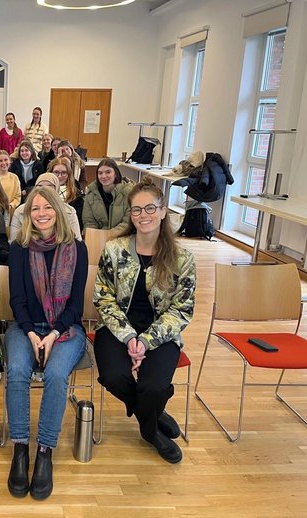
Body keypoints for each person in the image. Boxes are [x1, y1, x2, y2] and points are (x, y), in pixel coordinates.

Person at [93, 178, 196, 464]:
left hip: (161, 334)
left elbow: (182, 309)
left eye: (150, 208)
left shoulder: (182, 258)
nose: (143, 215)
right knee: (113, 376)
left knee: (153, 386)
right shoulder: (114, 250)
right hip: (117, 329)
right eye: (136, 210)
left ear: (164, 211)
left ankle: (149, 421)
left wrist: (146, 341)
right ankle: (150, 419)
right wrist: (129, 338)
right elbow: (103, 298)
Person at [6, 185, 88, 500]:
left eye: (47, 207)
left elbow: (76, 307)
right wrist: (31, 332)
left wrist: (53, 334)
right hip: (25, 327)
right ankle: (20, 449)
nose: (41, 213)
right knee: (16, 369)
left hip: (65, 329)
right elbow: (17, 299)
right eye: (35, 208)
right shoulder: (19, 247)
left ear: (58, 210)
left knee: (55, 374)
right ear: (28, 214)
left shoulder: (77, 249)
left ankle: (44, 451)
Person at [9, 173, 82, 242]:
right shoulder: (20, 211)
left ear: (57, 189)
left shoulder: (69, 211)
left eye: (49, 186)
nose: (44, 189)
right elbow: (14, 241)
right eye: (40, 186)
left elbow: (76, 239)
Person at [82, 157, 134, 237]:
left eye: (108, 172)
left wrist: (109, 235)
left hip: (122, 238)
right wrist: (96, 237)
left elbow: (128, 222)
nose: (103, 176)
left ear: (115, 173)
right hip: (98, 239)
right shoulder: (90, 195)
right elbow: (89, 222)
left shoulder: (128, 193)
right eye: (100, 173)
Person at [49, 157, 84, 230]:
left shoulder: (76, 193)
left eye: (64, 173)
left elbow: (78, 222)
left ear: (69, 174)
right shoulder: (44, 190)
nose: (59, 176)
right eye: (56, 172)